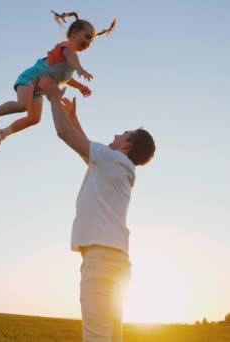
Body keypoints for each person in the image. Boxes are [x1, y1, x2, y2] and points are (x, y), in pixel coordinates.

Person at [38, 76, 156, 342]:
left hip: (101, 261)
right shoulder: (117, 166)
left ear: (126, 146)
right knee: (111, 338)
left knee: (96, 338)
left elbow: (65, 135)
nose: (115, 135)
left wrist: (54, 97)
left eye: (122, 134)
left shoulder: (112, 159)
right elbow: (86, 150)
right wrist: (73, 117)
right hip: (115, 261)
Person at [0, 11, 117, 149]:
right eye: (87, 37)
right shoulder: (67, 47)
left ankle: (2, 133)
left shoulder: (69, 63)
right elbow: (71, 57)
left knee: (34, 119)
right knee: (22, 105)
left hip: (39, 90)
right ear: (74, 33)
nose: (88, 42)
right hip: (31, 78)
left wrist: (80, 86)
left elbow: (65, 78)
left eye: (91, 41)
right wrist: (80, 69)